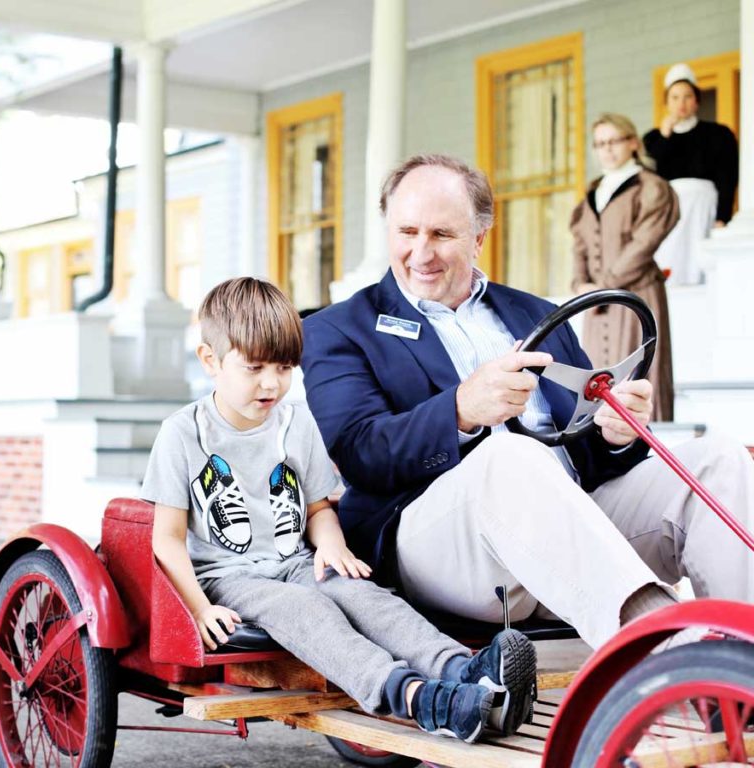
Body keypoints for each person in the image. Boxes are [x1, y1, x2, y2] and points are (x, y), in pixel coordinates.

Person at [302, 153, 754, 651]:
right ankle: (667, 645)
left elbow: (589, 457)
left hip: (567, 527)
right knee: (508, 455)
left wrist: (614, 432)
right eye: (407, 232)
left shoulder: (536, 312)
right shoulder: (339, 328)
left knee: (718, 457)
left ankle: (742, 651)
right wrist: (460, 410)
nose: (421, 252)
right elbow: (359, 450)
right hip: (436, 543)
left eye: (442, 235)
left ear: (478, 238)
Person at [142, 277, 537, 743]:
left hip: (294, 561)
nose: (272, 384)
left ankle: (466, 671)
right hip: (227, 576)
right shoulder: (183, 433)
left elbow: (318, 507)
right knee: (305, 609)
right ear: (211, 361)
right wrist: (199, 607)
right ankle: (414, 698)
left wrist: (331, 546)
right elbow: (166, 538)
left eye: (285, 368)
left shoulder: (295, 422)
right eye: (255, 368)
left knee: (363, 595)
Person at [570, 112, 679, 421]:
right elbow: (579, 243)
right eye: (599, 143)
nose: (606, 149)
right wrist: (581, 285)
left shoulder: (651, 187)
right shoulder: (593, 192)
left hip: (636, 293)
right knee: (599, 377)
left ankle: (646, 446)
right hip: (597, 300)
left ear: (632, 142)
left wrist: (605, 284)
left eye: (613, 141)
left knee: (638, 370)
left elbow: (644, 242)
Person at [642, 62, 739, 284]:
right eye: (675, 97)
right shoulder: (654, 139)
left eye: (687, 96)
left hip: (704, 206)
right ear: (666, 102)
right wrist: (666, 134)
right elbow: (650, 175)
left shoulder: (718, 134)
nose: (681, 103)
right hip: (670, 210)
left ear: (696, 100)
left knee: (703, 265)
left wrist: (723, 216)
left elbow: (728, 178)